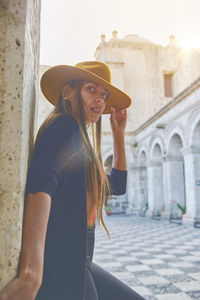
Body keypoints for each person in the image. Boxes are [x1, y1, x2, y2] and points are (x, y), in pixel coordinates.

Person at [0, 61, 144, 300]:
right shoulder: (65, 125)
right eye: (91, 89)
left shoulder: (81, 139)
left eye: (104, 95)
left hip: (81, 254)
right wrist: (31, 273)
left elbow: (116, 185)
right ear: (68, 92)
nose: (100, 99)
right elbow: (40, 187)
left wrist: (118, 133)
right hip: (63, 254)